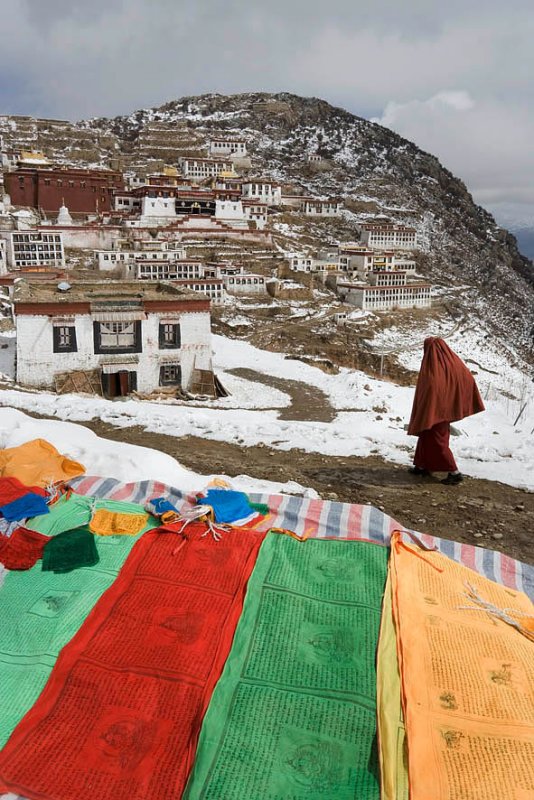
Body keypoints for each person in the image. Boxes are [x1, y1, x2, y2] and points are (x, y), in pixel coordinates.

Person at [408, 337, 485, 485]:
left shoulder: (434, 370)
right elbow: (465, 378)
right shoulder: (452, 363)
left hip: (438, 412)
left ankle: (454, 472)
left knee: (438, 442)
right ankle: (422, 466)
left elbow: (433, 389)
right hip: (441, 410)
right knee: (426, 436)